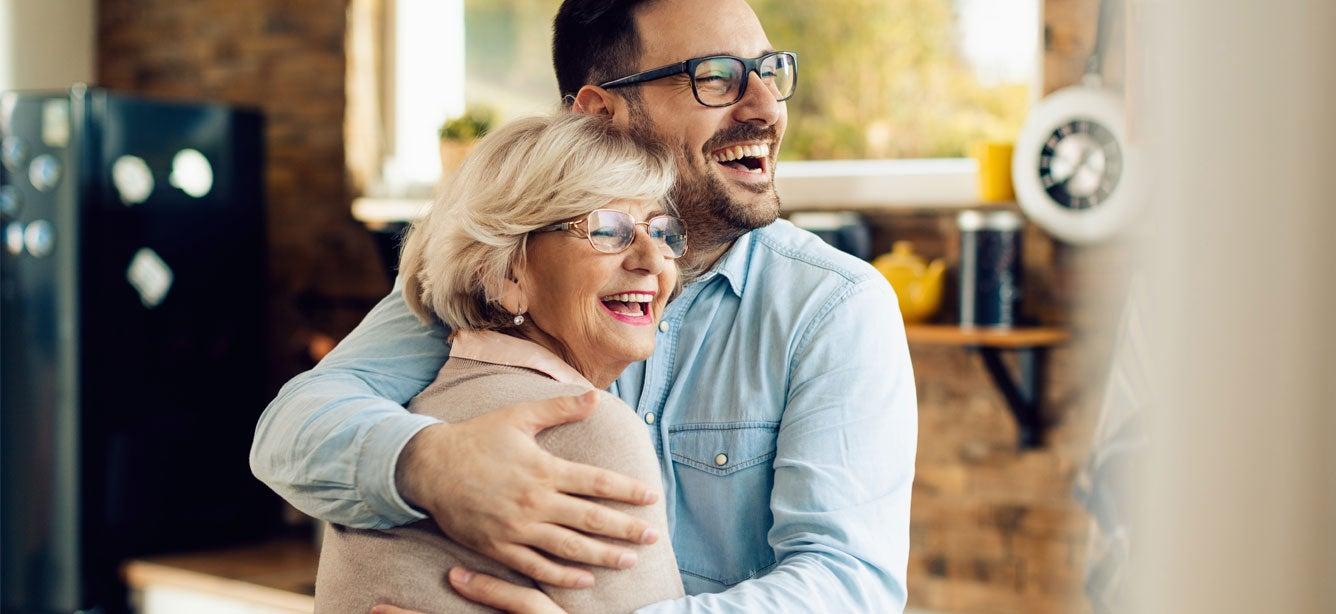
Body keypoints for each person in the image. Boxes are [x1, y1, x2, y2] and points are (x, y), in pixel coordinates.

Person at [251, 0, 918, 611]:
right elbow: (291, 430)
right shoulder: (507, 270)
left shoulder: (833, 307)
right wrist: (433, 466)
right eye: (715, 78)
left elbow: (847, 583)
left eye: (769, 72)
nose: (766, 106)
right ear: (601, 113)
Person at [316, 113, 687, 613]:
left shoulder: (399, 407)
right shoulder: (589, 428)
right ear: (505, 274)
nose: (652, 258)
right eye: (607, 229)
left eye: (662, 231)